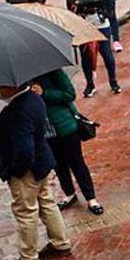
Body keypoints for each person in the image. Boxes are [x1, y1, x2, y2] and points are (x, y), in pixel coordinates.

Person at [0, 82, 73, 260]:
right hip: (42, 164)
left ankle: (27, 258)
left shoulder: (19, 109)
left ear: (13, 86)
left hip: (27, 171)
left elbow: (24, 150)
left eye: (0, 85)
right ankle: (60, 242)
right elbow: (9, 126)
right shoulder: (33, 98)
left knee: (25, 212)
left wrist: (14, 172)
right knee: (46, 203)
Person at [33, 69, 102, 214]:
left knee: (76, 162)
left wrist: (44, 93)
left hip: (65, 126)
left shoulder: (53, 71)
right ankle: (69, 193)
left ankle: (91, 198)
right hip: (45, 131)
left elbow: (69, 94)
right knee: (58, 165)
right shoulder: (25, 81)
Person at [66, 0, 121, 97]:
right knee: (86, 56)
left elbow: (102, 0)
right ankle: (90, 84)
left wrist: (82, 3)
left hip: (100, 22)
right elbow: (70, 4)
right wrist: (86, 4)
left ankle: (113, 81)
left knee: (106, 53)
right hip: (83, 24)